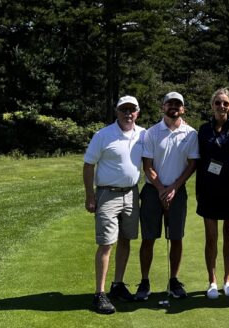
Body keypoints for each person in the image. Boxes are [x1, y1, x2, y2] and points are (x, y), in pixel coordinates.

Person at [83, 96, 145, 314]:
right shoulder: (103, 134)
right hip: (107, 194)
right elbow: (89, 164)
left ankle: (117, 285)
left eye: (132, 110)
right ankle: (99, 294)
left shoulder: (143, 134)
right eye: (123, 109)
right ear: (117, 111)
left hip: (131, 194)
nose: (128, 113)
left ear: (137, 112)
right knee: (107, 243)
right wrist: (90, 196)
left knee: (126, 240)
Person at [136, 92, 199, 301]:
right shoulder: (152, 133)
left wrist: (173, 187)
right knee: (148, 238)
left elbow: (192, 165)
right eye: (170, 103)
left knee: (176, 238)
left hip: (178, 191)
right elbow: (147, 165)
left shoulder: (191, 134)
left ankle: (174, 279)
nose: (174, 107)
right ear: (163, 107)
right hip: (153, 191)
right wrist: (162, 188)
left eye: (177, 104)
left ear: (183, 109)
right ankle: (144, 282)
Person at [196, 88, 229, 299]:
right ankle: (212, 281)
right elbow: (198, 161)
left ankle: (227, 280)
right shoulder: (203, 130)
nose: (221, 106)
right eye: (218, 103)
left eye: (225, 103)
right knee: (211, 236)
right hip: (209, 189)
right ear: (212, 105)